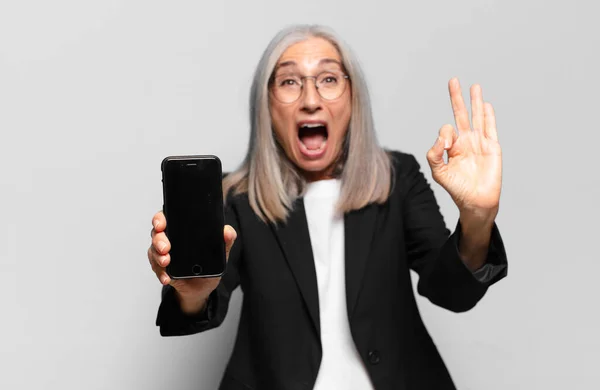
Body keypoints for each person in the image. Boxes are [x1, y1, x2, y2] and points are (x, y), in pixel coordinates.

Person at [147, 24, 508, 390]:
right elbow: (198, 309)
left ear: (352, 97)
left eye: (329, 79)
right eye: (289, 82)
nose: (310, 99)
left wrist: (477, 220)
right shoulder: (237, 198)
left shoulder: (398, 178)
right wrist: (191, 294)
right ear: (267, 104)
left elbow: (453, 293)